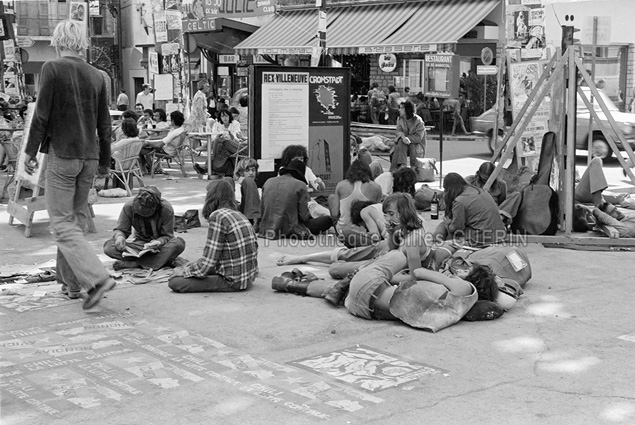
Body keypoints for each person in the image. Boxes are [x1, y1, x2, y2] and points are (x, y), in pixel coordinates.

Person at [23, 20, 115, 309]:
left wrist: (29, 152)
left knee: (62, 224)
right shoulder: (97, 75)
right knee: (71, 221)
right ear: (81, 42)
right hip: (88, 157)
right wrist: (104, 162)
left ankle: (96, 278)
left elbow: (41, 116)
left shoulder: (52, 68)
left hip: (63, 155)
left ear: (58, 40)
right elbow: (105, 124)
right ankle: (72, 285)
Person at [168, 179, 258, 293]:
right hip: (248, 277)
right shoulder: (239, 214)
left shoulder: (217, 216)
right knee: (190, 266)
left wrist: (184, 272)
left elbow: (208, 264)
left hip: (233, 281)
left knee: (175, 282)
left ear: (212, 197)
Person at [103, 186, 186, 270]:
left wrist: (158, 242)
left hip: (159, 247)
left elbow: (168, 236)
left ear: (156, 207)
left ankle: (137, 264)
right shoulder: (129, 207)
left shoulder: (166, 209)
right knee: (109, 247)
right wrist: (120, 237)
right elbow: (120, 229)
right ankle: (160, 261)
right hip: (139, 246)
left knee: (179, 243)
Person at [432, 173, 507, 254]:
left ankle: (435, 244)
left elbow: (457, 228)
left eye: (445, 189)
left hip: (481, 240)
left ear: (449, 189)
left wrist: (447, 223)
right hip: (499, 235)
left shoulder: (460, 201)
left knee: (445, 227)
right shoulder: (480, 191)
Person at [259, 159, 333, 239]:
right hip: (289, 229)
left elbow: (261, 210)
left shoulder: (268, 182)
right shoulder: (300, 185)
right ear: (299, 174)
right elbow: (304, 216)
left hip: (266, 229)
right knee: (327, 220)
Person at [331, 160, 383, 248]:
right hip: (366, 233)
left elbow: (335, 213)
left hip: (343, 231)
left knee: (331, 198)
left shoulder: (341, 185)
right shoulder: (376, 187)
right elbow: (376, 215)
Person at [193, 109, 244, 177]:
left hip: (233, 144)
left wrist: (229, 135)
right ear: (220, 117)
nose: (225, 118)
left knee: (219, 143)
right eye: (222, 116)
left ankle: (207, 167)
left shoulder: (235, 123)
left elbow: (236, 136)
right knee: (219, 144)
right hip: (223, 145)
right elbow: (214, 135)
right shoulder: (218, 124)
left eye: (226, 116)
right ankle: (209, 168)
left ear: (229, 116)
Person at [390, 100, 426, 172]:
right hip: (404, 145)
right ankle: (402, 165)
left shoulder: (418, 120)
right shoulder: (400, 119)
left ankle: (398, 168)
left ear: (407, 109)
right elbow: (398, 131)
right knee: (401, 142)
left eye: (401, 108)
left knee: (402, 143)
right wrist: (403, 137)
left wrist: (407, 138)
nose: (399, 110)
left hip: (416, 145)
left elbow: (418, 137)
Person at [234, 157, 261, 229]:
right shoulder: (235, 187)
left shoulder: (259, 190)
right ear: (241, 172)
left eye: (253, 170)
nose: (251, 173)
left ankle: (255, 220)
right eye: (247, 170)